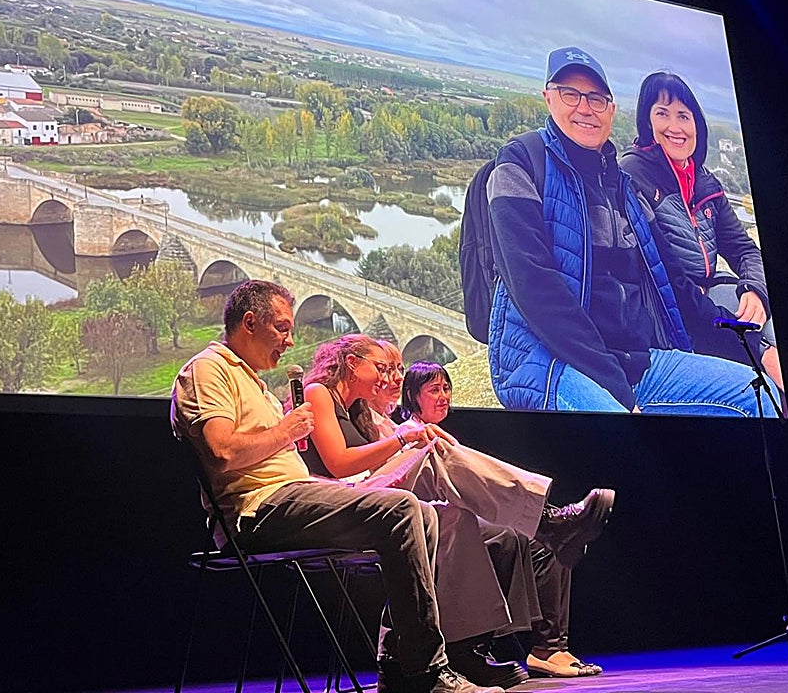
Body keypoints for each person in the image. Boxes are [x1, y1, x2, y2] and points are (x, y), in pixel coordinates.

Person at [170, 280, 501, 693]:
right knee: (399, 509)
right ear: (250, 322)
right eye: (282, 328)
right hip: (257, 511)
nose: (290, 341)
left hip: (292, 495)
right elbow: (220, 452)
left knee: (427, 513)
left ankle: (397, 666)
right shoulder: (207, 369)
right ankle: (427, 672)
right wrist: (285, 430)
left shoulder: (254, 381)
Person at [299, 334, 614, 682]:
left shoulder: (359, 411)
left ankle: (464, 650)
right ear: (351, 363)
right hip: (346, 499)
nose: (387, 377)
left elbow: (376, 462)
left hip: (375, 496)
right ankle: (548, 520)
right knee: (434, 451)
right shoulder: (318, 393)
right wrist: (407, 440)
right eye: (381, 368)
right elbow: (340, 463)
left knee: (456, 517)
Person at [486, 45, 780, 415]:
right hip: (552, 363)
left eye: (596, 98)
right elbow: (535, 287)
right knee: (631, 451)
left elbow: (676, 286)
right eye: (570, 94)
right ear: (548, 98)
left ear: (611, 110)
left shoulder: (625, 189)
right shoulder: (522, 163)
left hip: (635, 362)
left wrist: (756, 352)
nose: (585, 108)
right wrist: (617, 391)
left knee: (758, 398)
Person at [401, 361, 603, 679]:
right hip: (429, 520)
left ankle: (550, 648)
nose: (443, 396)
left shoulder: (437, 436)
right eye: (434, 390)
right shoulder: (409, 437)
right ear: (412, 396)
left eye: (446, 388)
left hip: (454, 516)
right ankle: (477, 646)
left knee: (545, 543)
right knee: (515, 535)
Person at [620, 71, 782, 390]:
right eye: (662, 113)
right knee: (769, 374)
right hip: (670, 315)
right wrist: (759, 351)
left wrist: (754, 291)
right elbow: (670, 284)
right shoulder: (633, 178)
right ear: (647, 122)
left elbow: (745, 250)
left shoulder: (704, 182)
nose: (676, 127)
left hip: (712, 296)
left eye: (684, 115)